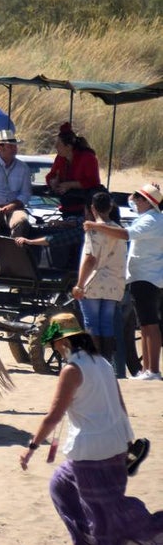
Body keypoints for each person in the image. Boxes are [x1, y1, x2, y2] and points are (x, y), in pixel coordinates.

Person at [19, 313, 163, 545]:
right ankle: (88, 541)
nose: (55, 349)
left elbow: (53, 417)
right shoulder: (102, 363)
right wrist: (127, 441)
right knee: (61, 485)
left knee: (105, 517)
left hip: (91, 453)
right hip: (114, 444)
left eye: (55, 343)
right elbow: (120, 405)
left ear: (64, 342)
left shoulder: (72, 370)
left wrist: (31, 447)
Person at [84, 182, 163, 380]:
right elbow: (129, 201)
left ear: (147, 202)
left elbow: (125, 234)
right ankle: (147, 370)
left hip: (146, 276)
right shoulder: (150, 216)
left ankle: (153, 370)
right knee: (144, 325)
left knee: (150, 324)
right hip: (144, 275)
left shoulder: (150, 220)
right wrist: (150, 191)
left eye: (138, 198)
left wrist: (96, 225)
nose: (134, 200)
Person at [66, 192, 127, 364]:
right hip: (114, 282)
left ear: (92, 208)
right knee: (106, 324)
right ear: (110, 207)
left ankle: (94, 363)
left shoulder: (93, 231)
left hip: (94, 282)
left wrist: (79, 284)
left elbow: (90, 259)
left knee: (91, 323)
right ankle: (106, 362)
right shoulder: (118, 230)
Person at [46, 122, 102, 217]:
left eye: (58, 144)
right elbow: (51, 175)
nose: (56, 147)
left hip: (85, 209)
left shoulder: (88, 157)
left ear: (68, 147)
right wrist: (53, 182)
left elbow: (93, 182)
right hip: (66, 206)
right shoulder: (60, 158)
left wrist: (70, 185)